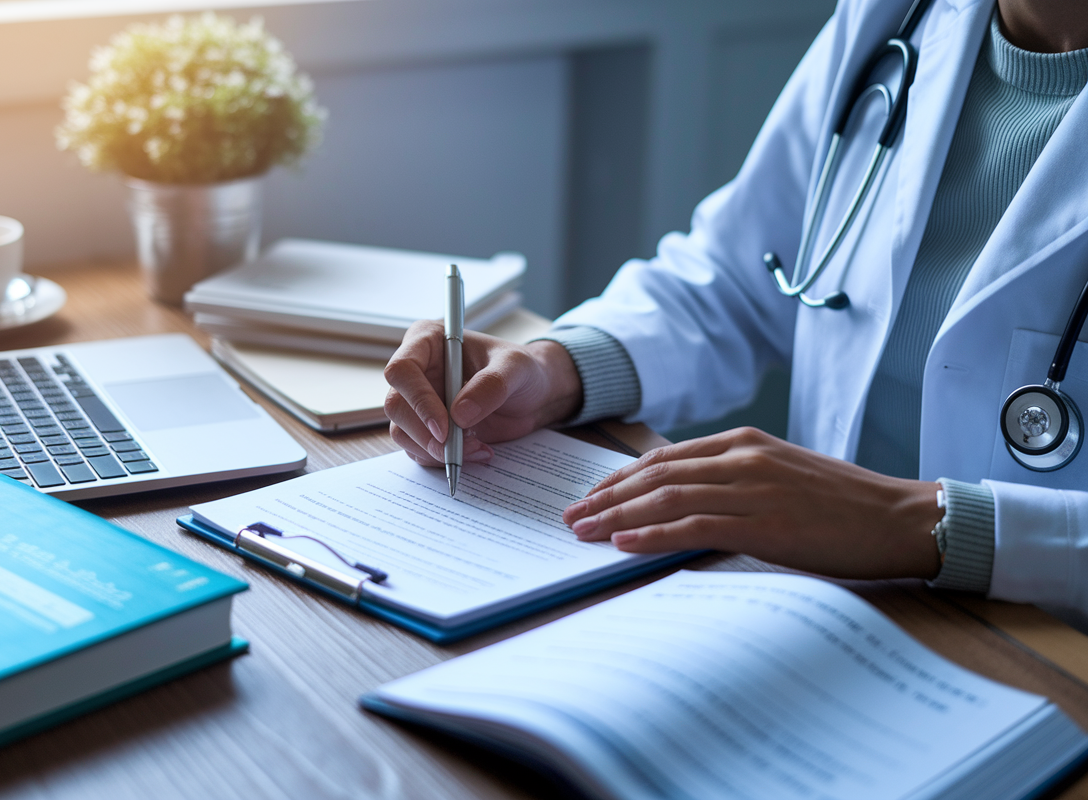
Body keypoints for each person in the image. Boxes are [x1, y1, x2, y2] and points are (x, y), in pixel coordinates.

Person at [384, 0, 1088, 624]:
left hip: (1049, 651)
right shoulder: (893, 19)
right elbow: (739, 278)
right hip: (828, 608)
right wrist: (553, 368)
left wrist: (923, 525)